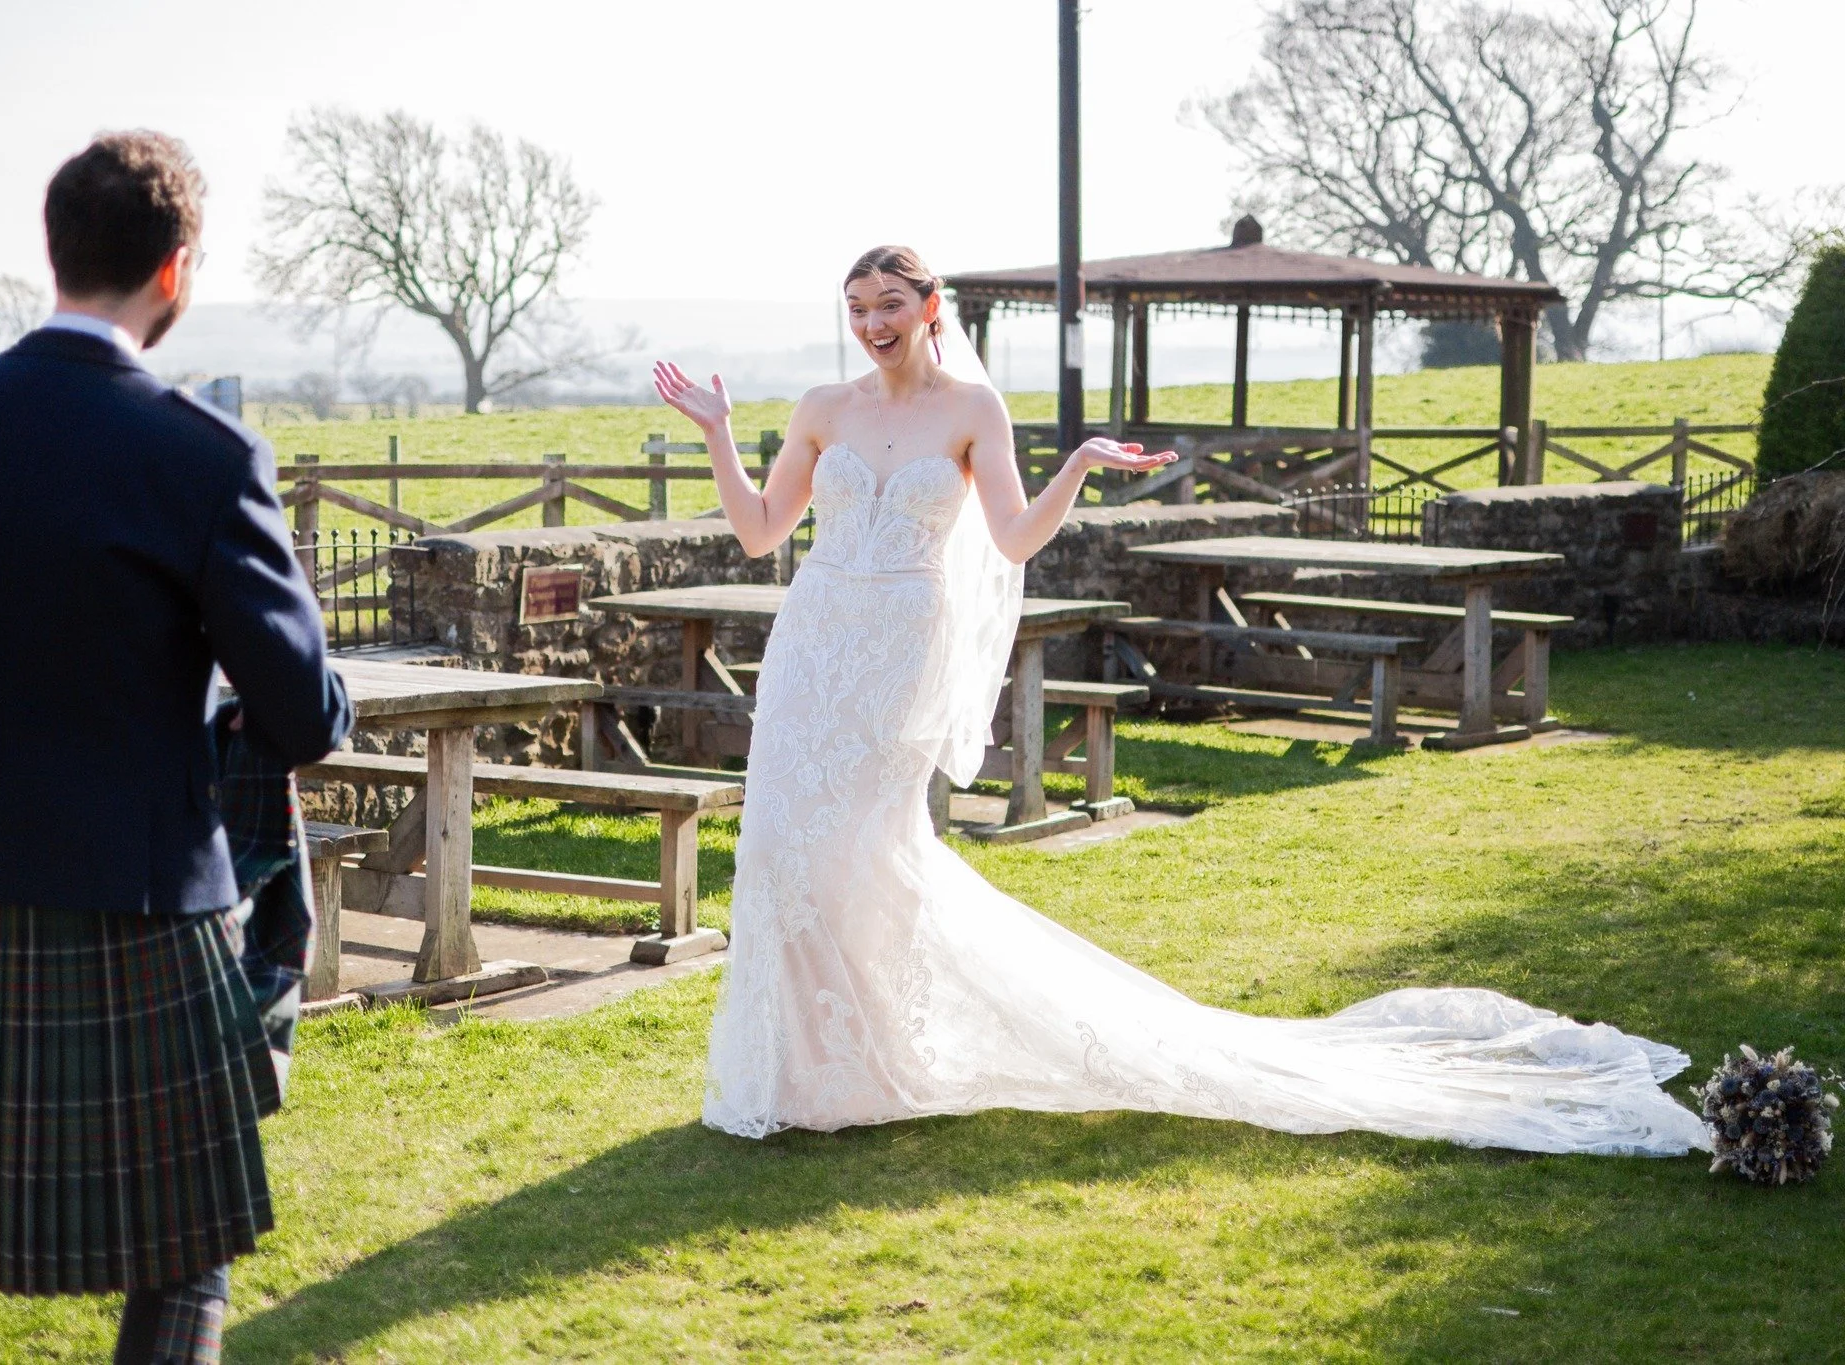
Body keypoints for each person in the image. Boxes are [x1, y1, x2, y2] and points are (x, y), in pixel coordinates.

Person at [652, 243, 1707, 1156]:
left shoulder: (971, 410)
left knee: (856, 851)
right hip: (813, 644)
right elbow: (758, 532)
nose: (870, 324)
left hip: (892, 656)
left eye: (888, 304)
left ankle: (867, 1059)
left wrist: (1073, 466)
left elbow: (1013, 541)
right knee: (786, 850)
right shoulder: (820, 409)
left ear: (929, 310)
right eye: (855, 309)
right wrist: (715, 428)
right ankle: (802, 1076)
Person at [0, 132, 353, 1363]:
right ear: (178, 269)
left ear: (53, 252)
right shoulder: (203, 457)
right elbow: (302, 716)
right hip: (144, 910)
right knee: (182, 1264)